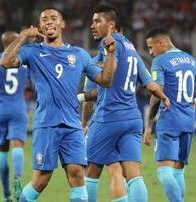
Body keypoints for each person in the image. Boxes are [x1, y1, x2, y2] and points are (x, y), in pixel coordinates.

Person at [0, 7, 117, 202]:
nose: (48, 22)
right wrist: (22, 37)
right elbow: (5, 62)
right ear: (40, 27)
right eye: (44, 20)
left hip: (72, 125)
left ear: (62, 24)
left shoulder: (79, 54)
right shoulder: (33, 51)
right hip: (47, 124)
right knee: (41, 180)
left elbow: (105, 80)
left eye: (53, 18)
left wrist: (111, 54)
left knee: (78, 175)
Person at [79, 3, 170, 202]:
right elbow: (151, 85)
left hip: (107, 118)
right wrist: (164, 97)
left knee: (90, 172)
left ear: (111, 25)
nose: (92, 25)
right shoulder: (132, 49)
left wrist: (84, 65)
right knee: (133, 173)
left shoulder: (108, 46)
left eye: (97, 21)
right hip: (132, 119)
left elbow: (108, 74)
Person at [143, 28, 196, 202]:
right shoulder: (190, 59)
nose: (150, 52)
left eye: (151, 47)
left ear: (161, 43)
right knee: (179, 170)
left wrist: (149, 124)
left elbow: (156, 92)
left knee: (164, 171)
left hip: (169, 121)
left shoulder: (160, 60)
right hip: (188, 122)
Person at [0, 31, 29, 202]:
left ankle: (5, 195)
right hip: (18, 108)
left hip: (0, 109)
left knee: (2, 153)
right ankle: (17, 179)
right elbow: (32, 84)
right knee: (17, 146)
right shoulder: (22, 62)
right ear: (16, 42)